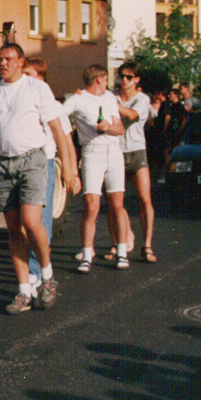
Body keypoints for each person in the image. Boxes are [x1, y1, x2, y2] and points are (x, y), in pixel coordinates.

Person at [0, 43, 75, 314]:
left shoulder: (37, 88)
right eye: (0, 59)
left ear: (20, 61)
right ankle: (24, 291)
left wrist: (69, 168)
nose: (3, 64)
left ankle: (47, 276)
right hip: (3, 164)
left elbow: (58, 131)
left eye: (8, 59)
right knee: (14, 229)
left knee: (31, 222)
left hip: (33, 161)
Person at [61, 64, 130, 270]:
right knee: (91, 206)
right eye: (106, 78)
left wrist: (109, 127)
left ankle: (122, 252)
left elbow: (120, 128)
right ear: (99, 79)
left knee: (117, 204)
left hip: (114, 153)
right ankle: (86, 254)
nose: (108, 83)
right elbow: (58, 116)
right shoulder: (77, 99)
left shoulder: (109, 98)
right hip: (92, 153)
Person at [20, 57, 78, 291]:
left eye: (29, 74)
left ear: (41, 79)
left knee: (39, 224)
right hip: (23, 165)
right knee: (26, 225)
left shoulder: (53, 106)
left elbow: (66, 140)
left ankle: (36, 272)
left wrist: (72, 171)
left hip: (44, 164)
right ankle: (32, 272)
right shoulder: (23, 102)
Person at [117, 61, 157, 263]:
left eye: (129, 77)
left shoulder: (142, 99)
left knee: (144, 199)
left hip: (137, 151)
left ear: (137, 79)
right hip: (116, 152)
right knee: (117, 202)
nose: (124, 80)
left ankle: (147, 245)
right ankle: (127, 236)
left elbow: (132, 115)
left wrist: (112, 105)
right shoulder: (112, 96)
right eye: (121, 76)